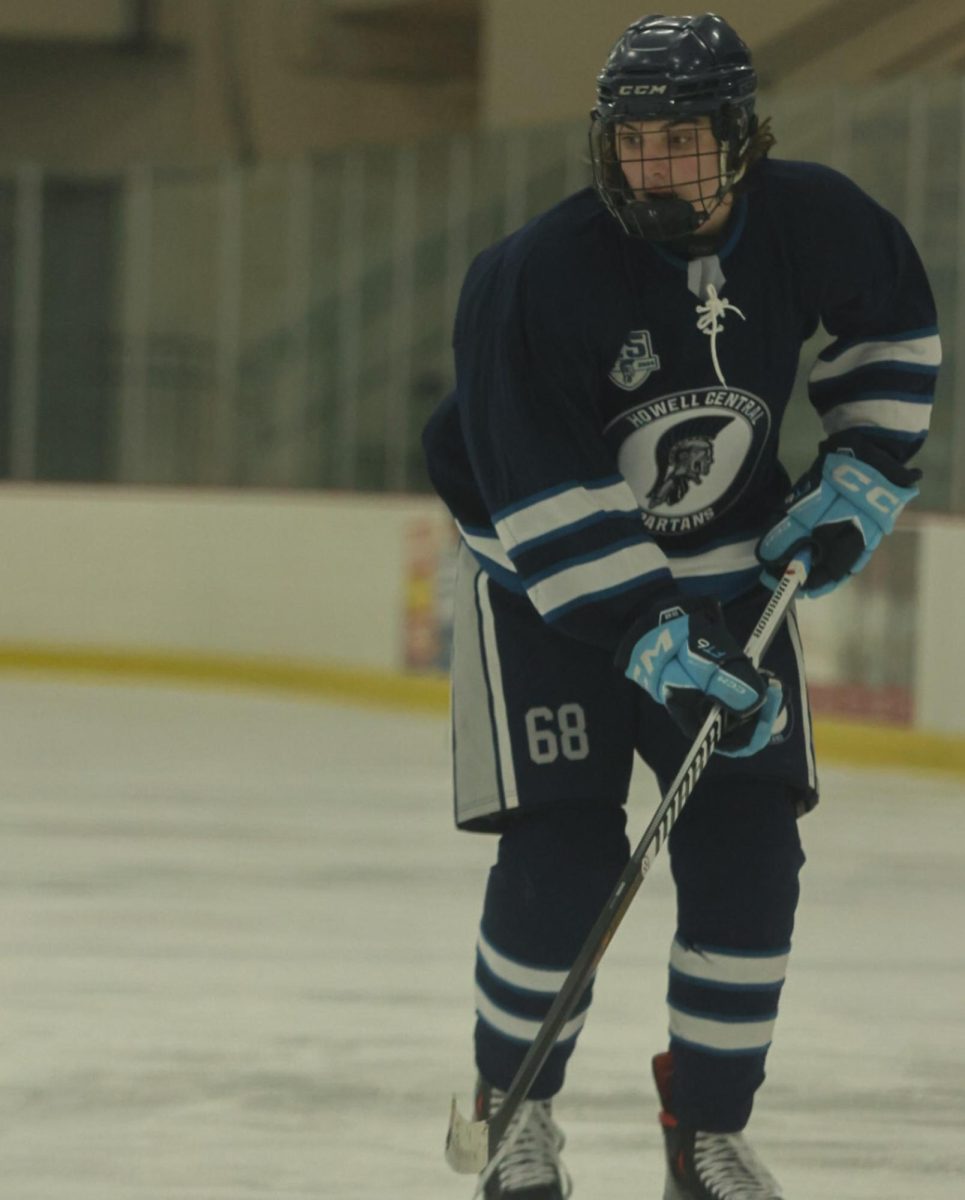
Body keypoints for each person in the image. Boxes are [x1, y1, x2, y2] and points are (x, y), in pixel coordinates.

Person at [422, 13, 938, 1200]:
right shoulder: (530, 276)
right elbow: (532, 482)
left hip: (731, 583)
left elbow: (892, 330)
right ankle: (514, 1111)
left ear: (740, 140)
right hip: (541, 596)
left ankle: (704, 1127)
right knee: (559, 857)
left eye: (680, 140)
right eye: (633, 141)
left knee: (750, 854)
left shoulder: (817, 220)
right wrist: (644, 631)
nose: (652, 167)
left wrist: (858, 469)